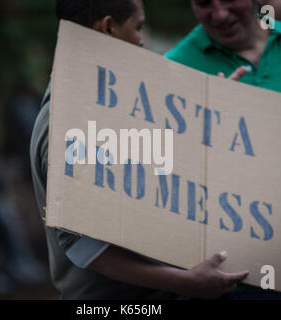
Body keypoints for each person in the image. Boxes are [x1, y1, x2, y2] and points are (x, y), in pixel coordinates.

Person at [30, 0, 249, 299]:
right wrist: (186, 282)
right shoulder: (72, 121)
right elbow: (86, 246)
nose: (142, 40)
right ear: (108, 28)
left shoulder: (107, 99)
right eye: (138, 27)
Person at [166, 0, 281, 300]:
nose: (219, 14)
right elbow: (170, 180)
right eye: (204, 3)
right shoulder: (176, 67)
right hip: (254, 278)